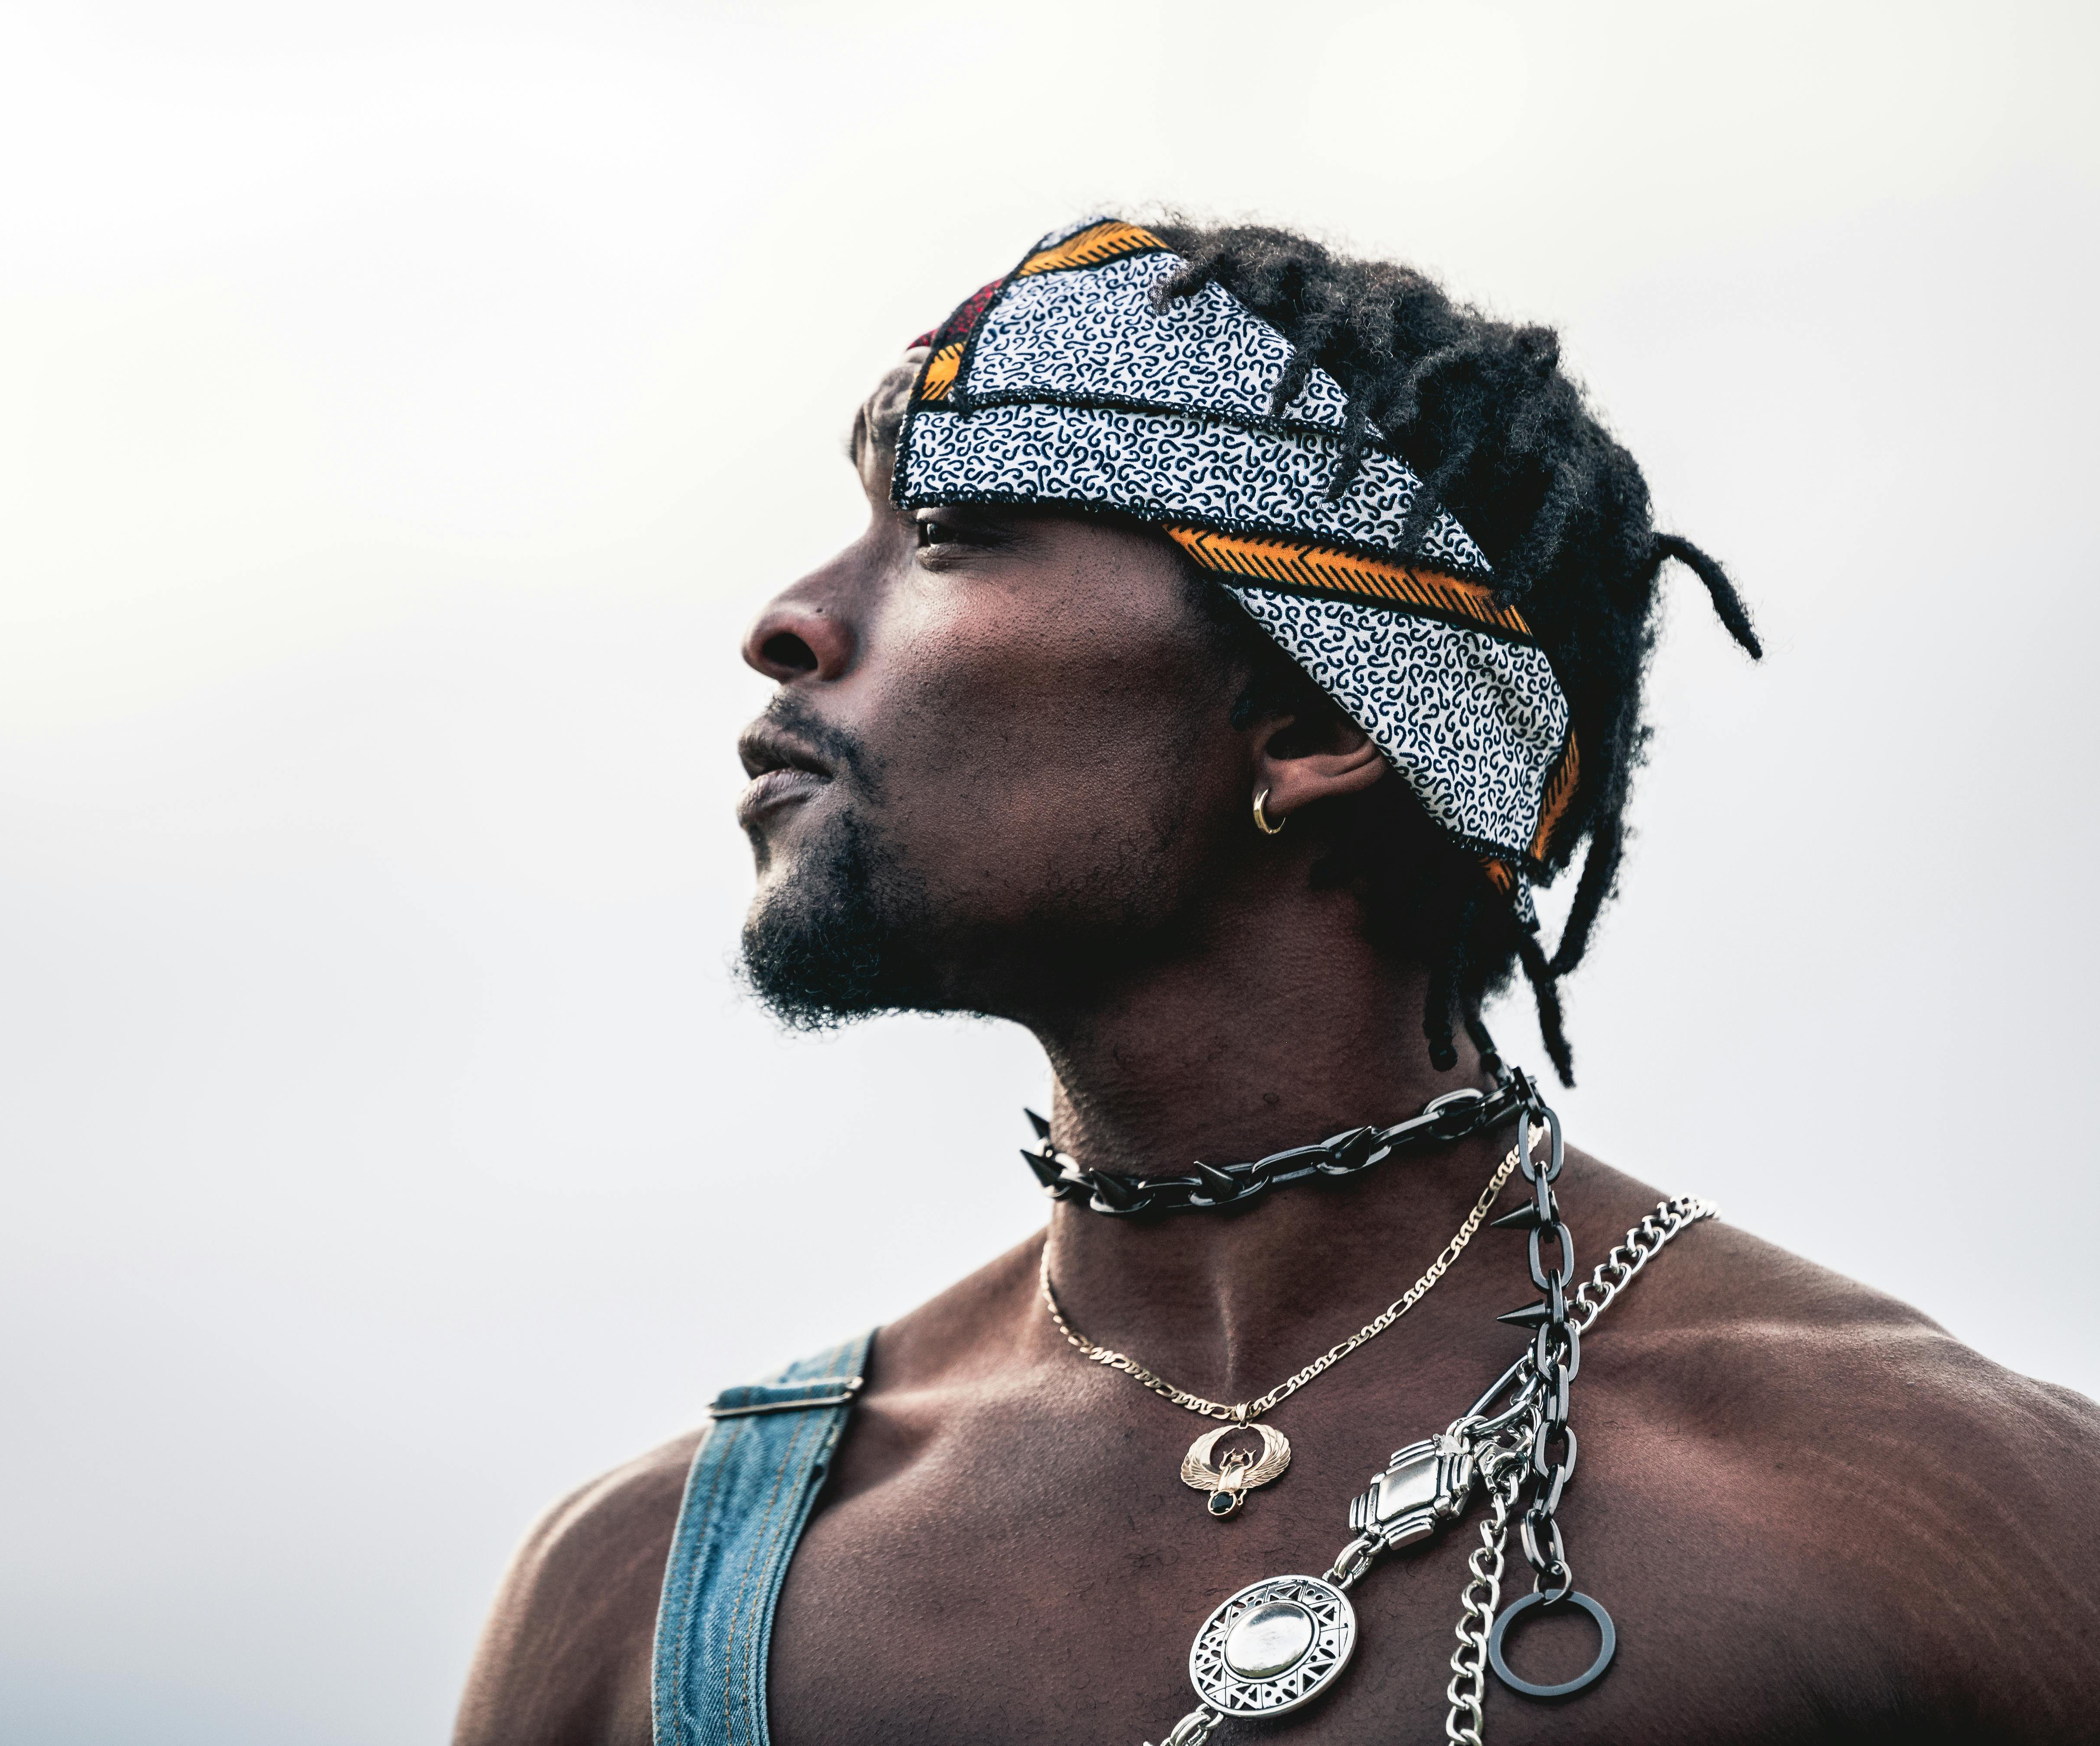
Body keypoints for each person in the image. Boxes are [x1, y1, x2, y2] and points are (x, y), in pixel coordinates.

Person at [452, 217, 2100, 1745]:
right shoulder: (655, 1595)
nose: (792, 621)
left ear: (1319, 726)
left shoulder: (1938, 1519)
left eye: (947, 530)